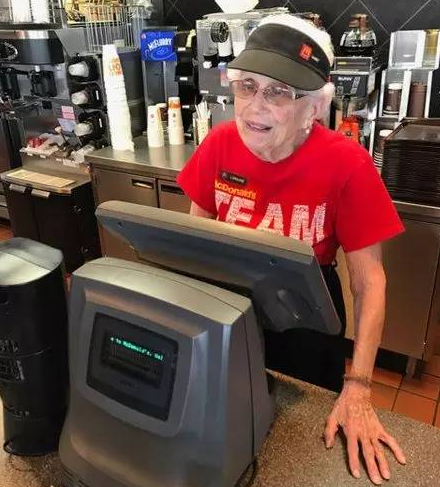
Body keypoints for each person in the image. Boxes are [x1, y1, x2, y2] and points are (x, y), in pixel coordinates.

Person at [177, 14, 406, 485]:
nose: (254, 106)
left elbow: (370, 283)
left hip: (306, 320)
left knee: (301, 450)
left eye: (279, 92)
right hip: (230, 311)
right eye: (247, 86)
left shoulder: (347, 163)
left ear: (314, 108)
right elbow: (194, 247)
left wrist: (359, 387)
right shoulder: (219, 144)